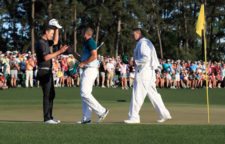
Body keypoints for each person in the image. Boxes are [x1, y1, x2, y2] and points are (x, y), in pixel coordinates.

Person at [124, 28, 172, 124]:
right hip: (148, 72)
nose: (133, 37)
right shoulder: (145, 42)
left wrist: (134, 62)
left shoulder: (143, 43)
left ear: (139, 33)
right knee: (154, 95)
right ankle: (164, 114)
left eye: (134, 35)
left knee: (137, 94)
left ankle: (134, 117)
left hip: (144, 72)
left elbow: (146, 57)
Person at [36, 19, 68, 124]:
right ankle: (47, 118)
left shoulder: (45, 41)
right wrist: (60, 51)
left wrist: (57, 28)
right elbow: (46, 57)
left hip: (48, 71)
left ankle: (50, 116)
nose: (52, 35)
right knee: (47, 94)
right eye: (51, 33)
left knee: (51, 94)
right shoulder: (41, 42)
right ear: (46, 32)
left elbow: (55, 41)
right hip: (43, 71)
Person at [77, 27, 109, 124]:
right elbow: (81, 59)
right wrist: (72, 52)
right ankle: (87, 118)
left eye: (82, 32)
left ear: (85, 33)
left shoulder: (90, 42)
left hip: (90, 69)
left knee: (84, 93)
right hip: (88, 69)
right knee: (85, 95)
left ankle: (102, 111)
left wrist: (84, 63)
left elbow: (94, 56)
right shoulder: (87, 43)